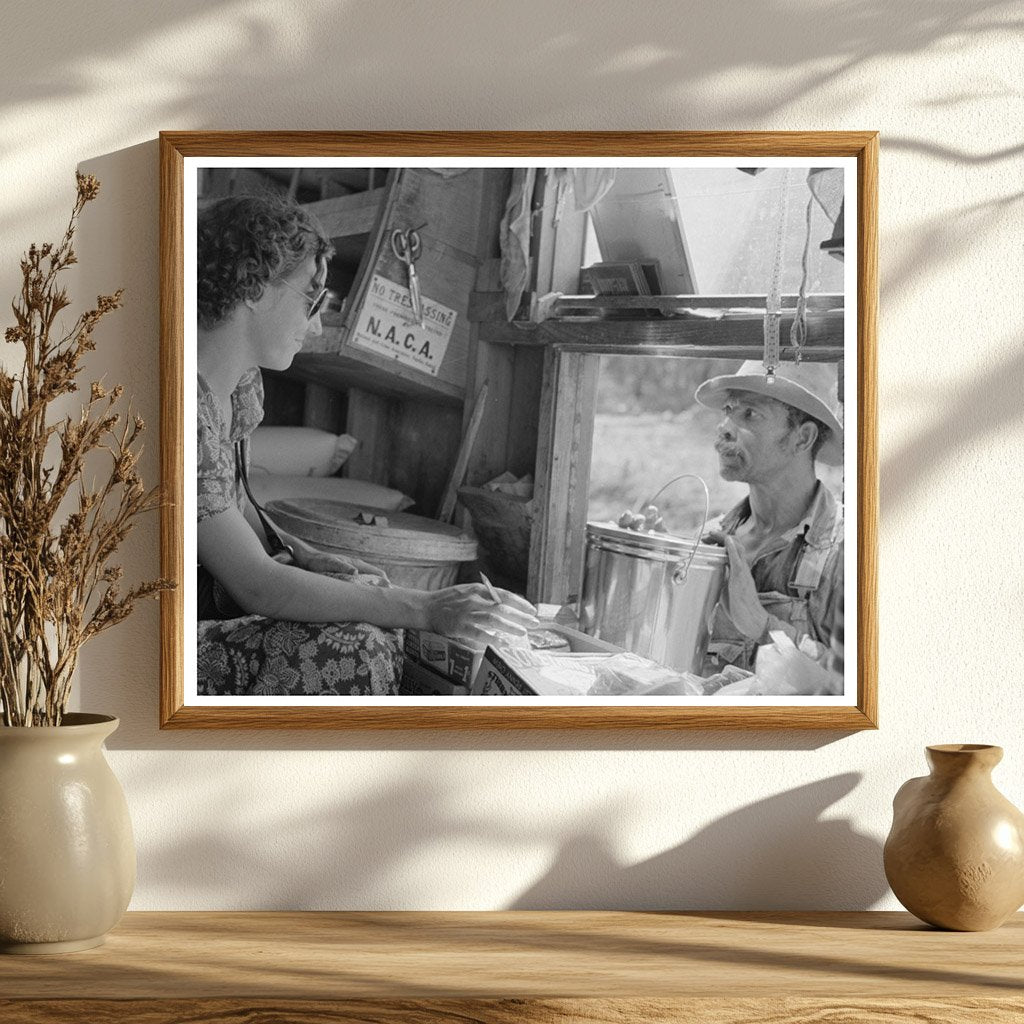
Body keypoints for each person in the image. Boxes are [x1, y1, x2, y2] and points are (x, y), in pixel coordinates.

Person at [195, 194, 536, 696]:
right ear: (254, 284)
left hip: (218, 596)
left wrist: (304, 552)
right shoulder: (179, 407)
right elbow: (256, 583)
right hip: (163, 635)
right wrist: (426, 606)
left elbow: (232, 499)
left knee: (368, 598)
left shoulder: (241, 384)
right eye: (312, 299)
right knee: (361, 646)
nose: (315, 325)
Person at [694, 359, 844, 678]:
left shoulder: (848, 555)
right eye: (728, 411)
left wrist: (760, 626)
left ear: (802, 438)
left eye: (749, 414)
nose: (724, 428)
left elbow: (858, 689)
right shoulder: (708, 541)